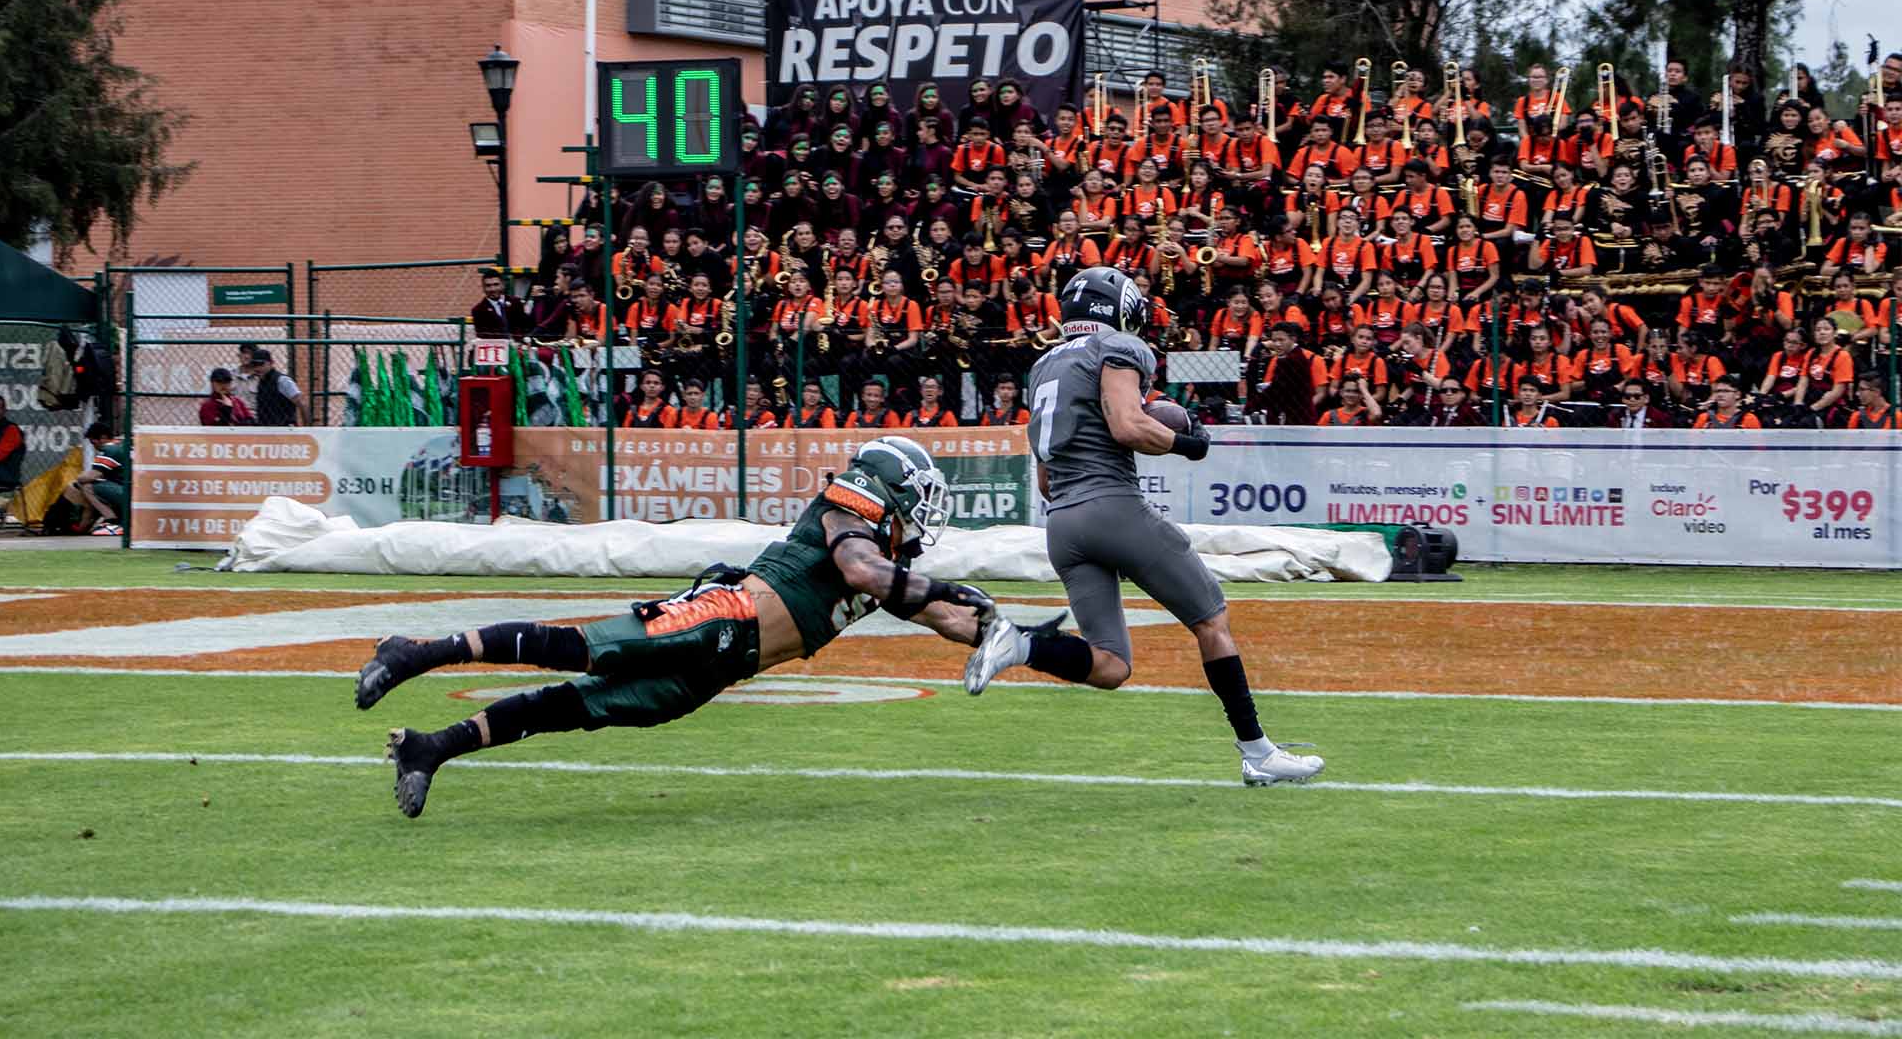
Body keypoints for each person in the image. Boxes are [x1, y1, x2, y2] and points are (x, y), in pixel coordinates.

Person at [358, 437, 1002, 818]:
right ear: (884, 487)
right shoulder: (850, 520)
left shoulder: (892, 569)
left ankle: (432, 748)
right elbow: (862, 571)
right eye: (917, 493)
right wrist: (948, 589)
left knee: (581, 708)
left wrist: (1015, 636)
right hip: (724, 617)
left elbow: (947, 616)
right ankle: (414, 651)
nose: (925, 511)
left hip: (723, 669)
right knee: (578, 650)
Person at [963, 266, 1326, 787]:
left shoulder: (1044, 366)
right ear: (1120, 307)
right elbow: (1127, 425)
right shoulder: (1119, 348)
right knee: (1212, 620)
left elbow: (1044, 476)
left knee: (1110, 665)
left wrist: (1148, 425)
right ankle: (1258, 752)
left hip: (1062, 523)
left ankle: (1020, 643)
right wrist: (1187, 444)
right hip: (1112, 507)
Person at [62, 422, 126, 534]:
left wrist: (79, 478)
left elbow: (92, 475)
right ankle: (83, 527)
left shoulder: (110, 450)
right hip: (133, 492)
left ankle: (111, 519)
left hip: (125, 492)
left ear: (103, 437)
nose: (94, 446)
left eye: (93, 442)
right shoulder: (122, 445)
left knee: (86, 487)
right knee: (94, 489)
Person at [245, 348, 307, 426]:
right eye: (254, 364)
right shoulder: (261, 382)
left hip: (285, 429)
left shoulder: (282, 380)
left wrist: (307, 429)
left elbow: (302, 404)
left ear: (271, 363)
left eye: (261, 364)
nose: (257, 368)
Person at [469, 271, 527, 339]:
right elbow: (483, 336)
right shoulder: (478, 310)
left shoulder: (516, 303)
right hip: (495, 347)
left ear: (503, 285)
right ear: (483, 288)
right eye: (488, 286)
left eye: (496, 284)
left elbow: (525, 326)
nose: (493, 289)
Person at [1693, 374, 1761, 429]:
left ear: (1737, 394)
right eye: (1717, 391)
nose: (1720, 395)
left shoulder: (1749, 419)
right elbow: (1692, 445)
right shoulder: (1704, 418)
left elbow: (1757, 445)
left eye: (1726, 391)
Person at [1606, 379, 1673, 429]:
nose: (1632, 399)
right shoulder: (1615, 417)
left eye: (1637, 396)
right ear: (1623, 399)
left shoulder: (1659, 418)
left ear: (1646, 398)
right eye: (1627, 396)